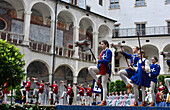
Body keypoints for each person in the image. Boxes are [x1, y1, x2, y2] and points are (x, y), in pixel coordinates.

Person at [88, 40, 112, 106]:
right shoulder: (102, 52)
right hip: (100, 68)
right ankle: (97, 80)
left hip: (106, 69)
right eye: (101, 44)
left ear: (106, 44)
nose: (101, 45)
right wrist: (98, 63)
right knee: (90, 69)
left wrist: (99, 61)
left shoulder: (109, 51)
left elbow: (107, 60)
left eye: (102, 44)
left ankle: (104, 101)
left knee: (104, 85)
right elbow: (100, 61)